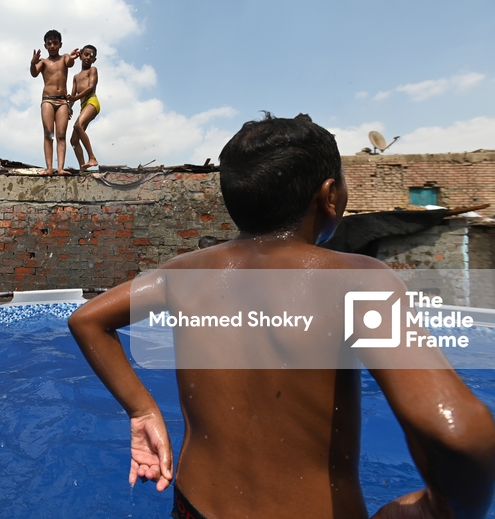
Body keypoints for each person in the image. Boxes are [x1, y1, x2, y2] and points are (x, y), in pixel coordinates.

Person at [68, 113, 495, 518]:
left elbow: (87, 320)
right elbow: (461, 433)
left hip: (193, 505)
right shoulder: (357, 280)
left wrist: (142, 412)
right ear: (329, 195)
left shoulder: (183, 272)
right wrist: (442, 510)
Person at [30, 30, 79, 176]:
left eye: (55, 43)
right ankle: (49, 168)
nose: (52, 46)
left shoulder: (64, 57)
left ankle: (61, 168)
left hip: (62, 101)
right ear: (45, 46)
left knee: (61, 134)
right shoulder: (43, 62)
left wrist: (72, 57)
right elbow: (33, 73)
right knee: (48, 133)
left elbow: (70, 63)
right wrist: (33, 62)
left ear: (60, 44)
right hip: (48, 100)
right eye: (49, 43)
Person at [69, 45, 100, 170]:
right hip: (83, 106)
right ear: (81, 55)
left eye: (91, 56)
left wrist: (75, 98)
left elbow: (91, 88)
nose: (88, 58)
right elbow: (72, 95)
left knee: (77, 126)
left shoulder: (92, 70)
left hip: (92, 102)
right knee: (74, 140)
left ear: (94, 60)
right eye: (86, 54)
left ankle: (92, 157)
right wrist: (69, 107)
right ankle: (83, 168)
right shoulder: (76, 77)